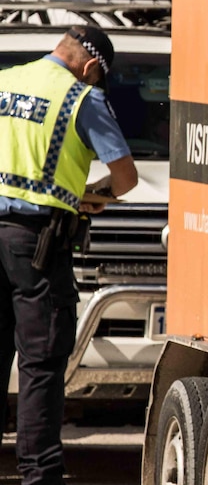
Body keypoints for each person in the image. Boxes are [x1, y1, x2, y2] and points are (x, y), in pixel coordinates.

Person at [0, 25, 138, 485]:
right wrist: (93, 193)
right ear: (92, 67)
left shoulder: (8, 79)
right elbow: (125, 177)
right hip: (36, 245)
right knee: (41, 361)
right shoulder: (82, 97)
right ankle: (40, 475)